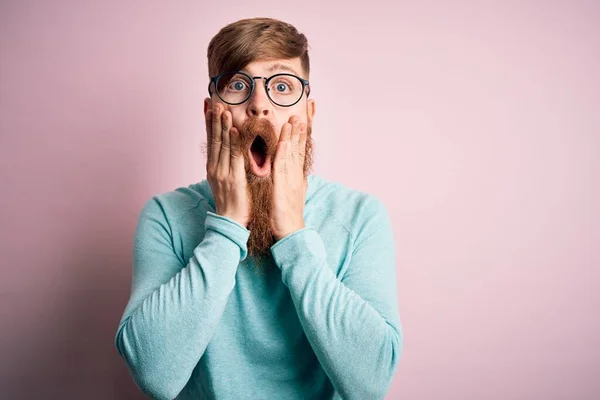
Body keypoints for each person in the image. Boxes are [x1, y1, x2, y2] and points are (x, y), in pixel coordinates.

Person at [114, 17, 403, 400]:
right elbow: (154, 375)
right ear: (210, 112)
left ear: (309, 114)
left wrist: (294, 234)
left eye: (282, 86)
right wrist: (227, 225)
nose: (260, 105)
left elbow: (370, 384)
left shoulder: (359, 215)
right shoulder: (166, 216)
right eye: (237, 85)